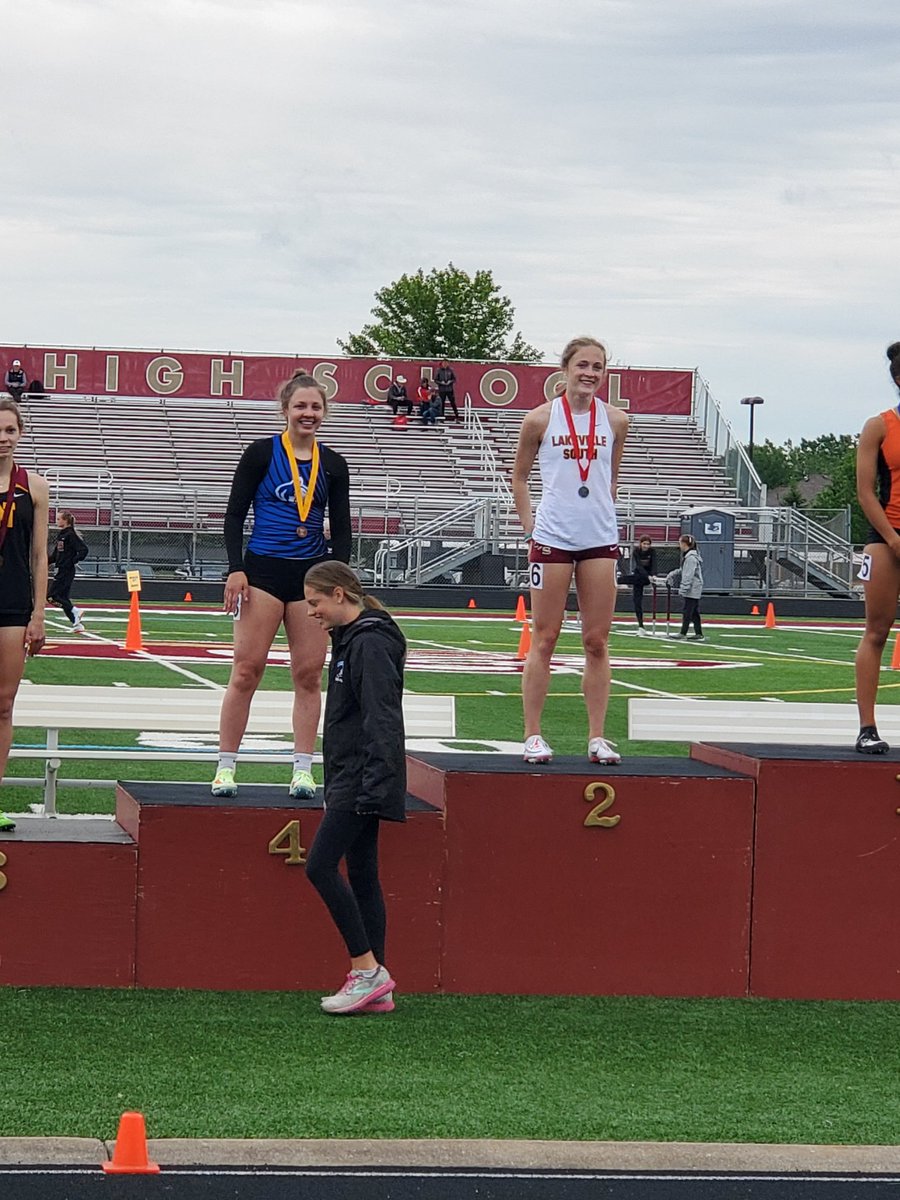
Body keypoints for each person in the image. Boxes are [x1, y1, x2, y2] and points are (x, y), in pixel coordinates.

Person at [214, 372, 352, 799]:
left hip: (312, 577)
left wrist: (339, 582)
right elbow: (234, 514)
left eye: (315, 407)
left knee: (308, 675)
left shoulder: (333, 464)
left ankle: (303, 770)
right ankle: (225, 767)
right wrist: (235, 568)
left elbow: (342, 529)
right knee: (246, 671)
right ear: (285, 410)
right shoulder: (261, 453)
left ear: (324, 412)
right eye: (300, 406)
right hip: (262, 574)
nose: (308, 414)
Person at [511, 336, 628, 765]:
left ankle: (597, 737)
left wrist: (602, 511)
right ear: (565, 368)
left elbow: (610, 477)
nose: (590, 373)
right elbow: (520, 477)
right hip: (553, 539)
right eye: (583, 365)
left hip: (599, 539)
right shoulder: (539, 419)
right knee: (545, 638)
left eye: (598, 366)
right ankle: (532, 735)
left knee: (597, 641)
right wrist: (530, 528)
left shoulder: (616, 420)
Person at [303, 561, 406, 1015]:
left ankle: (367, 970)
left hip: (363, 776)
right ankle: (375, 982)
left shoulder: (369, 642)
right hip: (354, 772)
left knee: (319, 867)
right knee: (363, 874)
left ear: (339, 594)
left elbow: (382, 716)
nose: (311, 612)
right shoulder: (353, 639)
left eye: (315, 602)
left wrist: (374, 782)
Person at [0, 398, 48, 832]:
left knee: (3, 705)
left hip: (13, 605)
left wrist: (38, 615)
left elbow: (38, 556)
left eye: (10, 430)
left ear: (20, 434)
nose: (3, 438)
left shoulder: (34, 486)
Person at [853, 340, 900, 754]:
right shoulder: (880, 426)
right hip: (886, 539)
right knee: (876, 631)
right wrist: (893, 538)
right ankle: (867, 727)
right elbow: (866, 492)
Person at [48, 510, 88, 632]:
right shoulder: (62, 535)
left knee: (52, 597)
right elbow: (55, 555)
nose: (56, 521)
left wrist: (72, 561)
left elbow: (83, 550)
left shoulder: (70, 535)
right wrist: (44, 562)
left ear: (65, 521)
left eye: (59, 519)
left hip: (66, 570)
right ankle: (77, 624)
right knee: (63, 598)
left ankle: (75, 610)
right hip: (60, 569)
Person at [664, 534, 704, 640]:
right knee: (694, 611)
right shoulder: (689, 557)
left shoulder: (691, 558)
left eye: (680, 543)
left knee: (688, 610)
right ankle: (698, 633)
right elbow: (683, 570)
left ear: (684, 544)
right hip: (693, 587)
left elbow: (688, 575)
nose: (679, 545)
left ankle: (683, 632)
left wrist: (683, 588)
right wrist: (672, 574)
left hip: (693, 588)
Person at [617, 535, 656, 633]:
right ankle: (641, 626)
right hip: (639, 576)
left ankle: (616, 580)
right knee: (637, 602)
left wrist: (653, 575)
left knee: (623, 579)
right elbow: (639, 566)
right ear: (640, 544)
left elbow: (654, 565)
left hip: (646, 578)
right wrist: (647, 576)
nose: (646, 546)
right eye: (644, 544)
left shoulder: (652, 552)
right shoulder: (636, 551)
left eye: (648, 544)